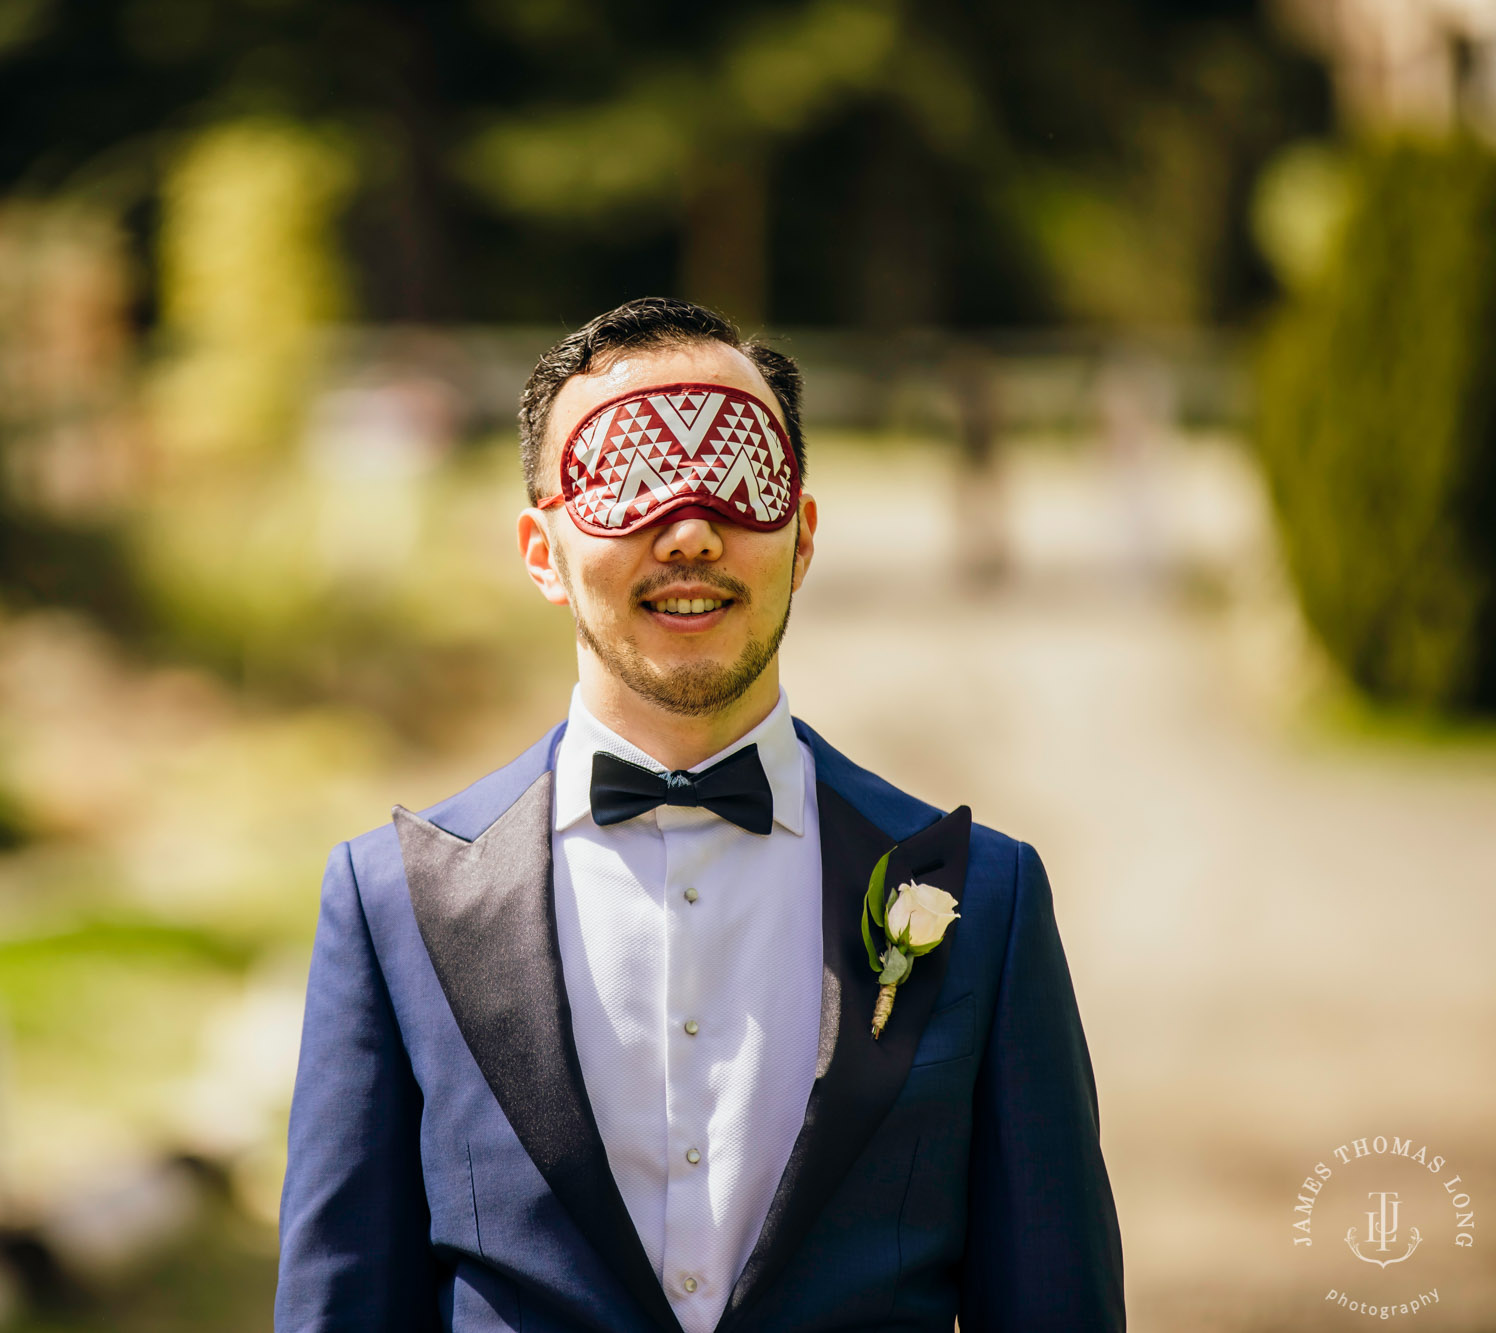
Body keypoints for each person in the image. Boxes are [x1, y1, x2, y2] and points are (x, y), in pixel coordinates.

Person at [274, 298, 1123, 1332]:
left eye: (739, 482)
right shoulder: (392, 906)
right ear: (540, 551)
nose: (686, 532)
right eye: (627, 482)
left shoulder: (978, 898)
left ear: (800, 535)